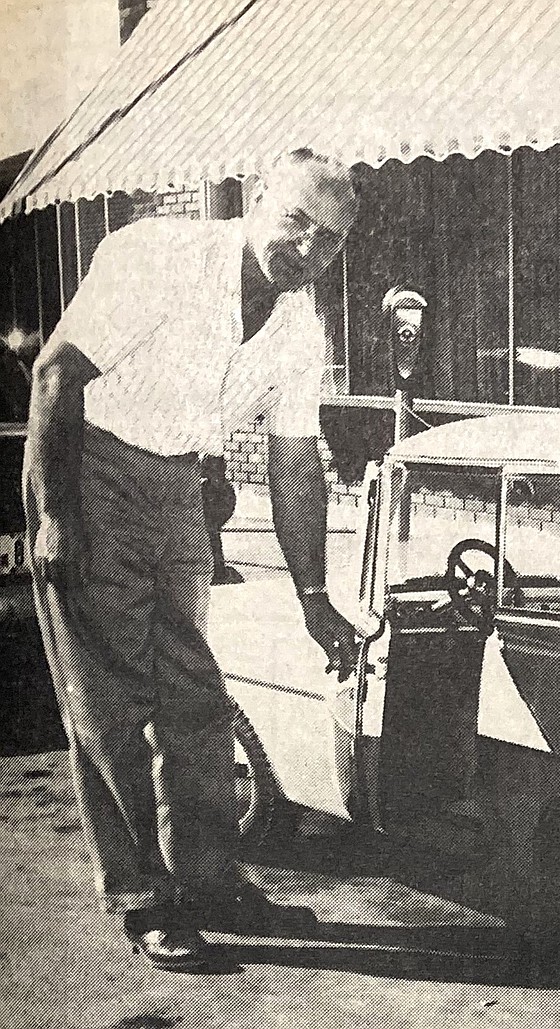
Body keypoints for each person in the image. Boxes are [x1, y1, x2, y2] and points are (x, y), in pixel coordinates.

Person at [22, 148, 361, 972]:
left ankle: (207, 877)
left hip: (179, 482)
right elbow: (55, 374)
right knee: (108, 708)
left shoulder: (299, 326)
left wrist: (314, 597)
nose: (307, 248)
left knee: (195, 701)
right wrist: (57, 516)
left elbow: (292, 463)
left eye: (329, 239)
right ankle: (142, 898)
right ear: (256, 200)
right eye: (296, 221)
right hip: (90, 464)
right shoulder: (161, 255)